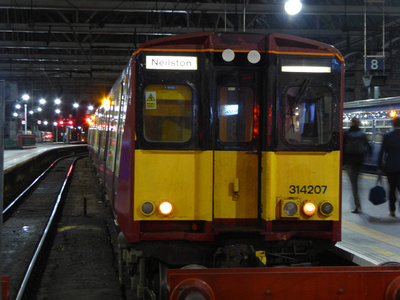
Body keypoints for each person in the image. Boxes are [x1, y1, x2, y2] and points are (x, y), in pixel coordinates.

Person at [343, 117, 371, 213]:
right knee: (356, 184)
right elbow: (369, 147)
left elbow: (342, 148)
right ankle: (357, 203)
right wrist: (367, 158)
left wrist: (343, 162)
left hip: (350, 163)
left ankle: (356, 205)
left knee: (354, 185)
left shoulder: (346, 134)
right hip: (359, 163)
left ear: (351, 123)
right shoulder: (362, 135)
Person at [377, 116, 400, 217]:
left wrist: (379, 166)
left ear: (393, 124)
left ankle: (392, 210)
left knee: (392, 189)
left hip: (390, 167)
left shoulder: (387, 136)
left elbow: (382, 152)